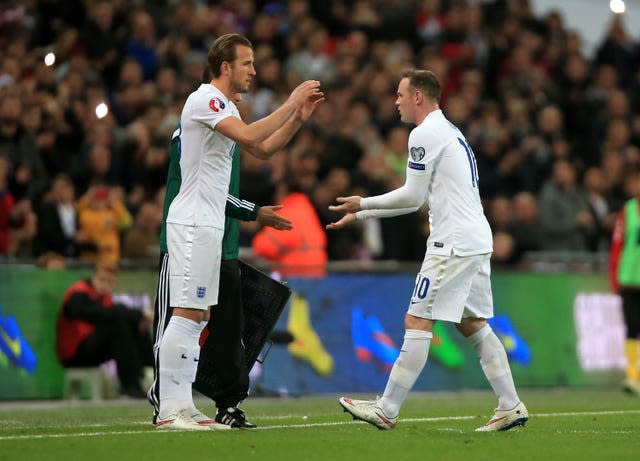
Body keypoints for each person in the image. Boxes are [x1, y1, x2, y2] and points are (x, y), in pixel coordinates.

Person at [328, 69, 527, 432]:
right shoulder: (450, 130)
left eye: (400, 94)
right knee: (472, 323)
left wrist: (362, 205)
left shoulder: (425, 133)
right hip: (476, 239)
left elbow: (412, 197)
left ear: (418, 96)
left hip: (451, 243)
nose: (396, 101)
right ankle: (510, 404)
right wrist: (364, 211)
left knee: (417, 320)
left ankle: (387, 409)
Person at [155, 33, 323, 431]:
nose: (253, 71)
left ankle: (186, 408)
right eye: (247, 63)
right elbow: (250, 137)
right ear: (225, 66)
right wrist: (290, 103)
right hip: (193, 220)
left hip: (212, 222)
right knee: (186, 312)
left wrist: (297, 118)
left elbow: (261, 150)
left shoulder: (225, 106)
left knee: (199, 315)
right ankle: (170, 410)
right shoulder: (205, 98)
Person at [56, 261, 153, 398]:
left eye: (110, 282)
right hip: (74, 354)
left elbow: (114, 313)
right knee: (118, 325)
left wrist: (139, 320)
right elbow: (96, 313)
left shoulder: (105, 299)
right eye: (102, 279)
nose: (105, 284)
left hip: (93, 350)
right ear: (94, 277)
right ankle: (129, 385)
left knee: (134, 326)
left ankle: (147, 376)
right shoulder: (78, 293)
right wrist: (140, 314)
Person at [609, 169, 640, 396]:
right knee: (632, 327)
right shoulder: (627, 210)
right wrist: (614, 276)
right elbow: (618, 243)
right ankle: (632, 376)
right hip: (629, 278)